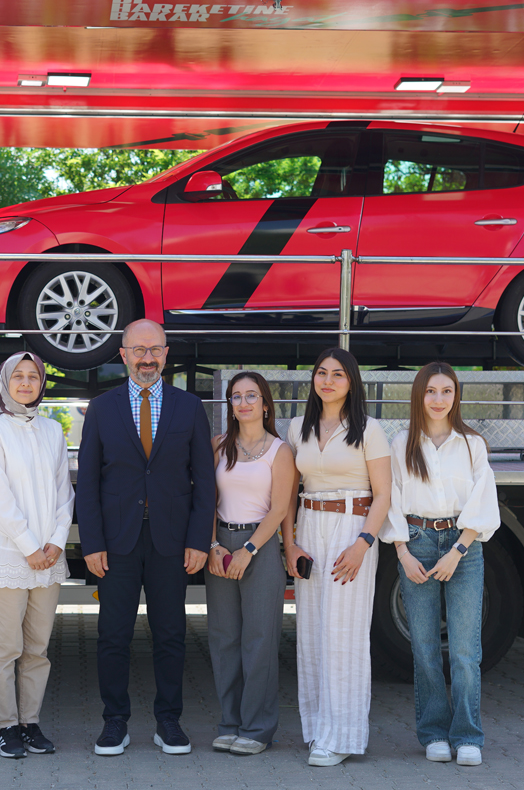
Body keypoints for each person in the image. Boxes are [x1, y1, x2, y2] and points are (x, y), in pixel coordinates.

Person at [76, 319, 216, 756]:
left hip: (171, 542)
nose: (147, 358)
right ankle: (114, 722)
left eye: (154, 349)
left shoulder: (188, 407)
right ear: (123, 355)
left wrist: (199, 540)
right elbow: (88, 482)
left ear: (166, 354)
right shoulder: (102, 408)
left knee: (171, 634)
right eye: (138, 350)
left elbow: (204, 481)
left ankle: (168, 721)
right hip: (116, 542)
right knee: (113, 635)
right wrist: (92, 543)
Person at [382, 363, 499, 768]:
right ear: (419, 394)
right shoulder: (402, 443)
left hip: (463, 546)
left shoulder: (471, 444)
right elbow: (391, 498)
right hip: (416, 543)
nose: (438, 399)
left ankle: (467, 736)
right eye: (431, 391)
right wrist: (402, 553)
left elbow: (483, 500)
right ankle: (433, 732)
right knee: (425, 648)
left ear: (456, 396)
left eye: (446, 391)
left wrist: (458, 550)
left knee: (465, 651)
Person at [282, 346, 391, 766]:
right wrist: (290, 543)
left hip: (352, 527)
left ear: (351, 382)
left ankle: (342, 737)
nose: (327, 381)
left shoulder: (369, 428)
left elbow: (383, 494)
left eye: (338, 374)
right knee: (312, 632)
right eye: (321, 372)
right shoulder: (298, 427)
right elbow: (288, 491)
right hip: (309, 526)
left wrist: (363, 543)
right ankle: (318, 731)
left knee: (343, 633)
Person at [0, 351, 74, 759]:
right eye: (17, 376)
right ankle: (6, 726)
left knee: (37, 648)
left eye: (33, 376)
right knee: (4, 649)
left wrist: (56, 541)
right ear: (5, 383)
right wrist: (30, 546)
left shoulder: (53, 430)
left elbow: (64, 492)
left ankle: (30, 723)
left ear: (42, 384)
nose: (25, 383)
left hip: (48, 558)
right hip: (8, 555)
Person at [205, 371, 291, 756]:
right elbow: (207, 501)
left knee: (259, 640)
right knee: (224, 638)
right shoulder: (218, 445)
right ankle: (229, 723)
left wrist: (249, 550)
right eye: (236, 396)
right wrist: (213, 545)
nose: (243, 402)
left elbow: (280, 509)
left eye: (251, 395)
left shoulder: (280, 451)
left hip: (260, 546)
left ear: (265, 404)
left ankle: (257, 728)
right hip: (221, 545)